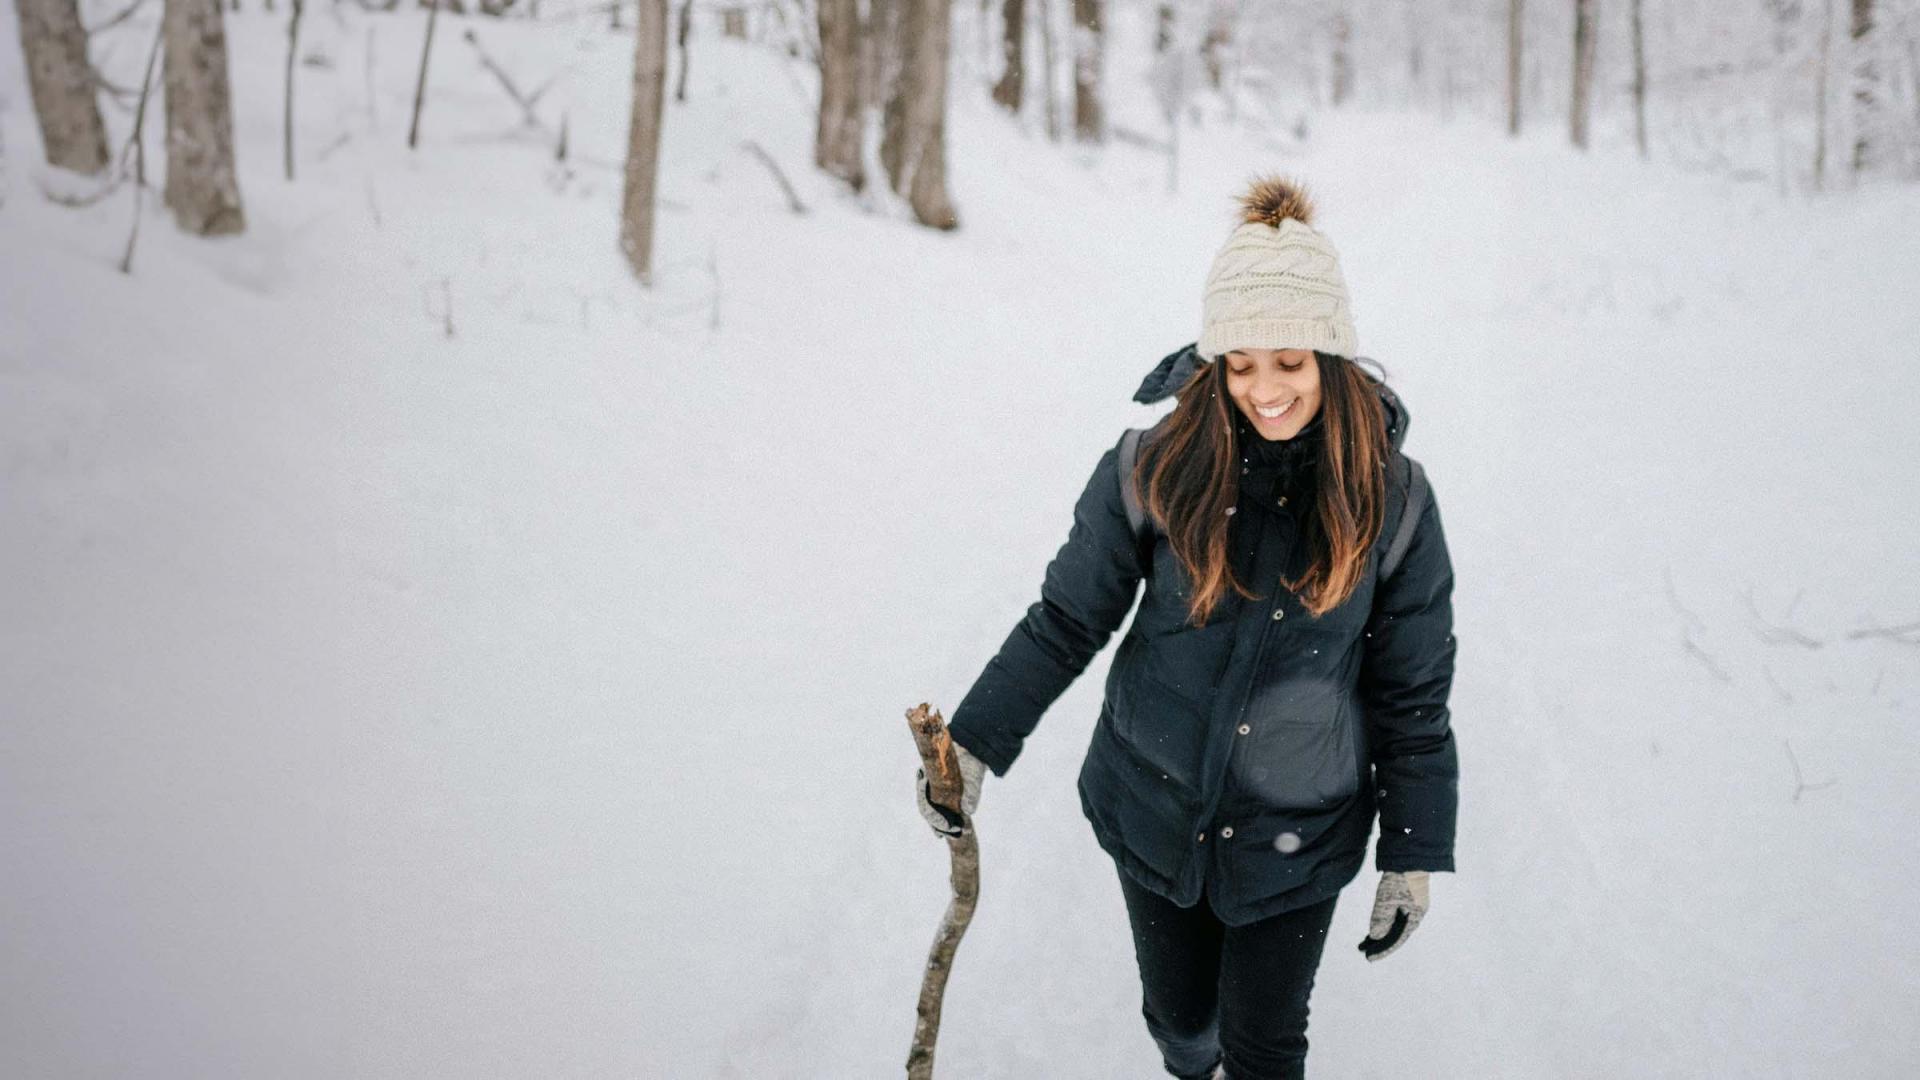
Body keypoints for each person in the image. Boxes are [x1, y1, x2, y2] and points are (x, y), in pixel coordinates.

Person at [915, 175, 1459, 1080]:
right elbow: (1064, 621)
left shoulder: (1394, 500)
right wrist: (968, 748)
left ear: (1331, 354)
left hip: (1301, 826)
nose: (1263, 390)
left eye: (1289, 362)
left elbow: (1412, 690)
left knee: (1265, 1045)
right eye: (1239, 364)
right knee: (1180, 1022)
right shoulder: (1152, 470)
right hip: (1153, 801)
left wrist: (1411, 850)